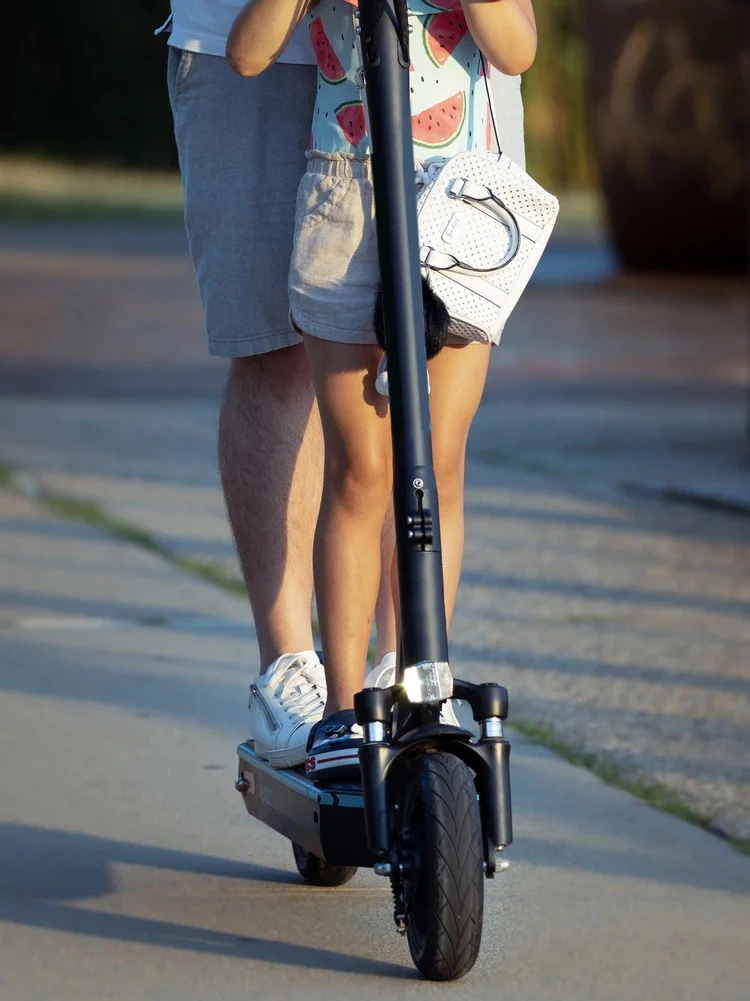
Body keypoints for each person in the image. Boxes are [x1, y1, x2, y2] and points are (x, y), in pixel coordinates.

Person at [226, 0, 537, 778]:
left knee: (440, 461)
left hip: (461, 202)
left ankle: (416, 678)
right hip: (346, 201)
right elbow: (248, 54)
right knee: (360, 470)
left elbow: (517, 49)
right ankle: (343, 710)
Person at [163, 0, 400, 771]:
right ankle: (290, 670)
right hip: (244, 40)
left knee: (406, 356)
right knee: (273, 347)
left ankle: (402, 667)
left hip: (430, 43)